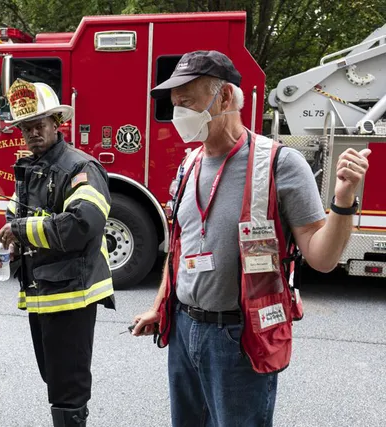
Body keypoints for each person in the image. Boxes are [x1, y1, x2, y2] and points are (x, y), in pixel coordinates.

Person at [131, 50, 370, 426]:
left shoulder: (280, 164)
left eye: (187, 103)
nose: (178, 115)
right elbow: (180, 247)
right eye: (175, 105)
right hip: (183, 331)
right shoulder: (188, 165)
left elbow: (322, 258)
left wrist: (342, 202)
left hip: (239, 339)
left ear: (224, 98)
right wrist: (160, 306)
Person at [0, 79, 115, 426]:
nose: (31, 133)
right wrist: (8, 250)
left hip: (72, 295)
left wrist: (18, 231)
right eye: (25, 128)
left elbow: (82, 224)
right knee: (55, 379)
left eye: (39, 125)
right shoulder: (31, 168)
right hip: (43, 293)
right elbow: (21, 220)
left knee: (67, 389)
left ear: (56, 123)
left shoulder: (80, 168)